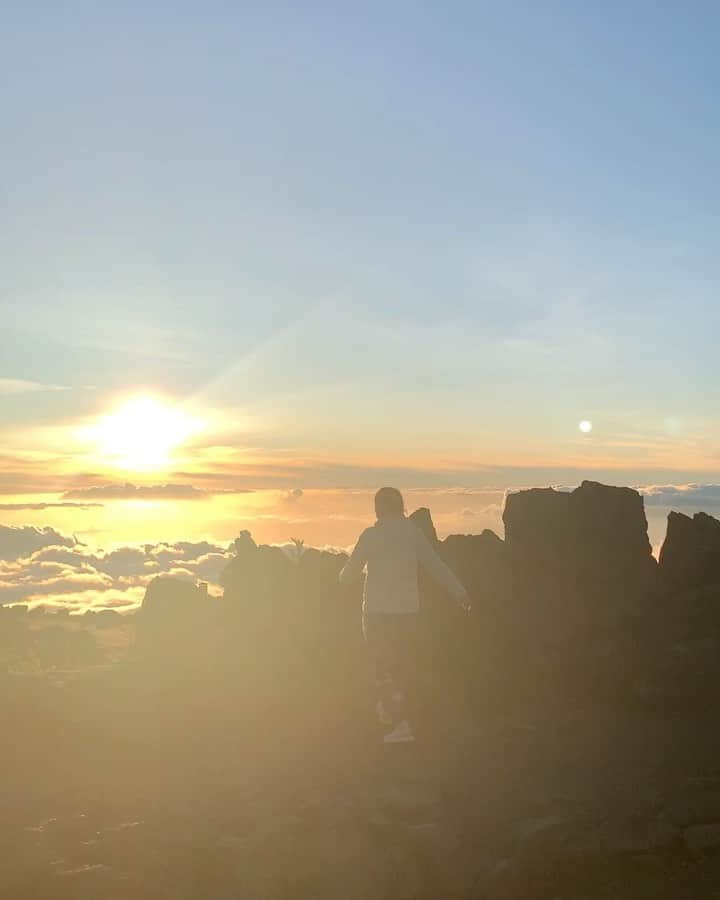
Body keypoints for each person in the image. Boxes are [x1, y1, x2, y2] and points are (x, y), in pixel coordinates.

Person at [339, 487, 471, 744]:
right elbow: (436, 566)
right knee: (403, 666)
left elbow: (348, 576)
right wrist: (461, 594)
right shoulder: (413, 534)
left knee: (385, 668)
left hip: (377, 614)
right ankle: (394, 715)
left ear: (377, 508)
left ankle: (400, 724)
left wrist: (339, 577)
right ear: (400, 506)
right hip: (409, 613)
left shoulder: (371, 536)